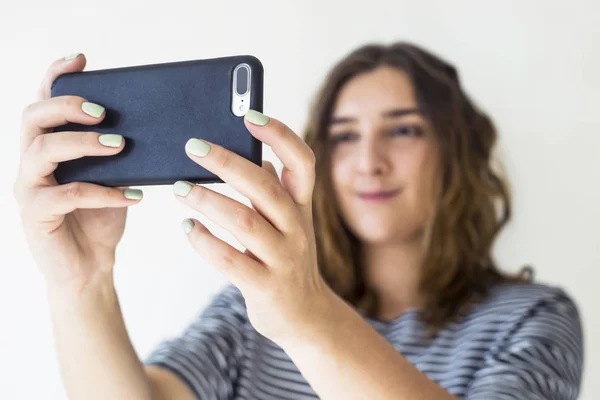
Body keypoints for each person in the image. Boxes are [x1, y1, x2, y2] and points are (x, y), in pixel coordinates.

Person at [14, 42, 583, 400]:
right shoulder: (250, 310)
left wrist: (308, 317)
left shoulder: (532, 320)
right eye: (343, 136)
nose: (369, 161)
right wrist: (81, 281)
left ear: (455, 151)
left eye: (403, 129)